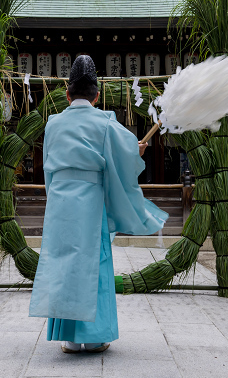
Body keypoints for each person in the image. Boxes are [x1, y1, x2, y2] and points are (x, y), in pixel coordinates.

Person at [29, 55, 168, 354]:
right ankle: (93, 337)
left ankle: (69, 338)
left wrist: (54, 200)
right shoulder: (104, 121)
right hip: (90, 201)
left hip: (60, 204)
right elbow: (125, 158)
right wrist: (137, 153)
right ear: (97, 94)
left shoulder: (53, 124)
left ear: (67, 94)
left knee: (64, 264)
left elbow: (48, 170)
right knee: (95, 263)